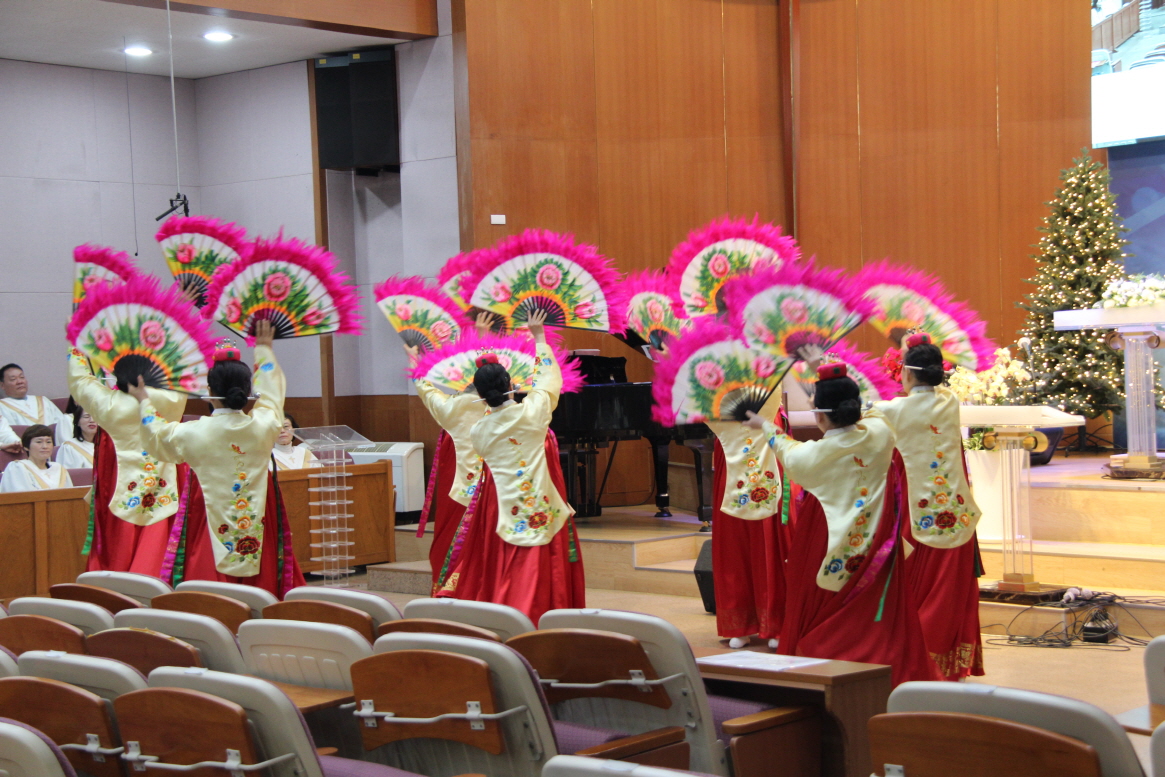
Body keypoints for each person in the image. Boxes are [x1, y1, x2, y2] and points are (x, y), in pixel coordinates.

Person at [745, 364, 939, 686]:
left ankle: (826, 669)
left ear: (820, 417)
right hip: (877, 542)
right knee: (878, 609)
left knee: (817, 598)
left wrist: (764, 425)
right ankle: (889, 668)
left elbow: (789, 453)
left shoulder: (818, 454)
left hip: (826, 537)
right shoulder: (880, 433)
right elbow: (875, 411)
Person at [131, 321, 305, 597]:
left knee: (207, 560)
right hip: (260, 507)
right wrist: (264, 349)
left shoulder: (193, 432)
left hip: (206, 505)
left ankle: (213, 606)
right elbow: (273, 395)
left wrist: (143, 399)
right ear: (246, 391)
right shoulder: (264, 425)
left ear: (210, 392)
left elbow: (156, 435)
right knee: (260, 551)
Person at [437, 310, 584, 622]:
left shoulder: (479, 430)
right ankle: (542, 615)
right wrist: (539, 336)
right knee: (542, 560)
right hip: (542, 504)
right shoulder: (532, 414)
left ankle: (504, 614)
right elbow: (547, 380)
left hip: (500, 507)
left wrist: (480, 344)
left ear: (479, 394)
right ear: (512, 384)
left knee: (503, 562)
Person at [876, 333, 983, 680]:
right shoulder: (949, 401)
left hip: (917, 517)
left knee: (915, 592)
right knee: (951, 593)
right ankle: (950, 667)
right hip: (958, 516)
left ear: (906, 373)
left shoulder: (892, 410)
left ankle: (918, 666)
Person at [66, 346, 187, 573]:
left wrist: (75, 344)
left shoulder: (107, 404)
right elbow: (181, 371)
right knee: (161, 538)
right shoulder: (172, 400)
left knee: (120, 541)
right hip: (164, 487)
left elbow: (79, 380)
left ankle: (117, 583)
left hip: (120, 485)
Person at [410, 311, 490, 595]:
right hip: (497, 485)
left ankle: (450, 588)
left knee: (451, 535)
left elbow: (426, 389)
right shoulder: (511, 409)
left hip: (460, 486)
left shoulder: (455, 408)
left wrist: (416, 363)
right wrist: (482, 339)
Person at [707, 394, 789, 650]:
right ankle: (741, 623)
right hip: (729, 432)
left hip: (766, 427)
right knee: (735, 538)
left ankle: (776, 622)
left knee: (770, 533)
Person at [0, 363, 71, 444]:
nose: (19, 382)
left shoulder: (43, 400)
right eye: (13, 379)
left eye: (22, 377)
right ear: (2, 385)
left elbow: (62, 425)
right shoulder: (2, 406)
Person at [0, 424, 73, 492]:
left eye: (48, 442)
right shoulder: (17, 467)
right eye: (39, 442)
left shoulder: (59, 468)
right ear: (26, 446)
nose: (45, 446)